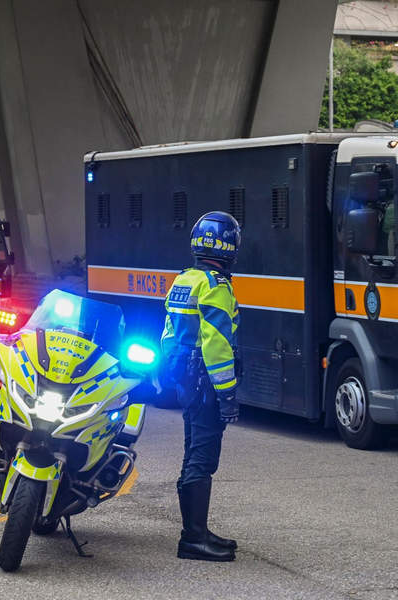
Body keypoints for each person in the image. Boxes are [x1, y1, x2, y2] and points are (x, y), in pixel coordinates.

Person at [161, 211, 242, 562]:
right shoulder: (215, 285)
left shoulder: (184, 280)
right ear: (230, 247)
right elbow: (216, 343)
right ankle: (193, 539)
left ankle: (197, 532)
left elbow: (168, 333)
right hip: (206, 381)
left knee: (193, 451)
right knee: (202, 458)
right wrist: (227, 394)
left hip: (186, 378)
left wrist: (174, 373)